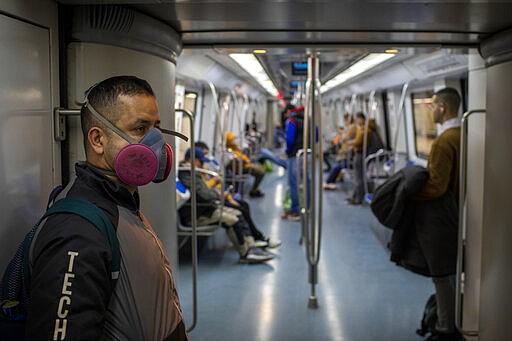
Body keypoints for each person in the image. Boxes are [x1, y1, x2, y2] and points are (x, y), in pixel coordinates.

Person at [25, 76, 188, 340]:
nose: (156, 142)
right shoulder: (76, 232)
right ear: (98, 140)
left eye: (157, 128)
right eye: (140, 128)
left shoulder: (120, 203)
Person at [415, 88, 462, 341]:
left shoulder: (444, 141)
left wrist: (409, 193)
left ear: (442, 108)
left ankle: (445, 328)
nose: (430, 110)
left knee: (442, 274)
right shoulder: (462, 134)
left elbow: (437, 186)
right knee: (451, 270)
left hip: (444, 215)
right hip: (458, 211)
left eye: (432, 106)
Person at [178, 147, 274, 263]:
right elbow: (205, 195)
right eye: (200, 161)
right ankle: (245, 253)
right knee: (232, 220)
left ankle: (251, 246)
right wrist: (218, 195)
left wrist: (215, 194)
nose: (202, 164)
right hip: (198, 214)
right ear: (193, 160)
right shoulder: (187, 175)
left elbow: (207, 192)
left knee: (238, 213)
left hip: (207, 209)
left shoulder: (194, 173)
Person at [194, 142, 281, 248]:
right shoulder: (193, 174)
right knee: (240, 210)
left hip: (217, 197)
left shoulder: (203, 169)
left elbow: (214, 189)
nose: (204, 159)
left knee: (244, 205)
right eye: (202, 156)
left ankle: (256, 237)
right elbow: (205, 191)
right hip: (211, 203)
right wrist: (219, 188)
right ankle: (252, 240)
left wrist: (227, 196)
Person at [345, 112, 378, 205]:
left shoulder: (365, 129)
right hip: (360, 153)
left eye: (356, 119)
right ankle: (355, 197)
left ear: (360, 118)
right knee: (359, 177)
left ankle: (358, 199)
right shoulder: (364, 128)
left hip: (360, 154)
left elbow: (359, 142)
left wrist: (351, 142)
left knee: (359, 177)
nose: (356, 121)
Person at [282, 105, 307, 220]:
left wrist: (287, 151)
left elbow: (289, 139)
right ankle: (307, 207)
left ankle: (296, 210)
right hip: (308, 154)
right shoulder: (308, 119)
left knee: (294, 183)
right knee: (307, 181)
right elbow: (316, 135)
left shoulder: (292, 121)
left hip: (295, 155)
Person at [225, 131, 266, 197]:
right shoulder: (230, 150)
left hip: (245, 164)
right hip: (242, 167)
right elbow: (238, 160)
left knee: (261, 168)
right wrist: (245, 161)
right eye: (232, 140)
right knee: (260, 171)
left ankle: (255, 189)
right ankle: (254, 190)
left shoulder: (234, 147)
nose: (234, 141)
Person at [323, 113, 357, 190]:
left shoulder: (352, 128)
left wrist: (341, 133)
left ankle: (329, 182)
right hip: (345, 153)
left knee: (336, 166)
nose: (345, 122)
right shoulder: (348, 128)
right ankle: (331, 181)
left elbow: (345, 138)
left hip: (348, 155)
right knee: (336, 164)